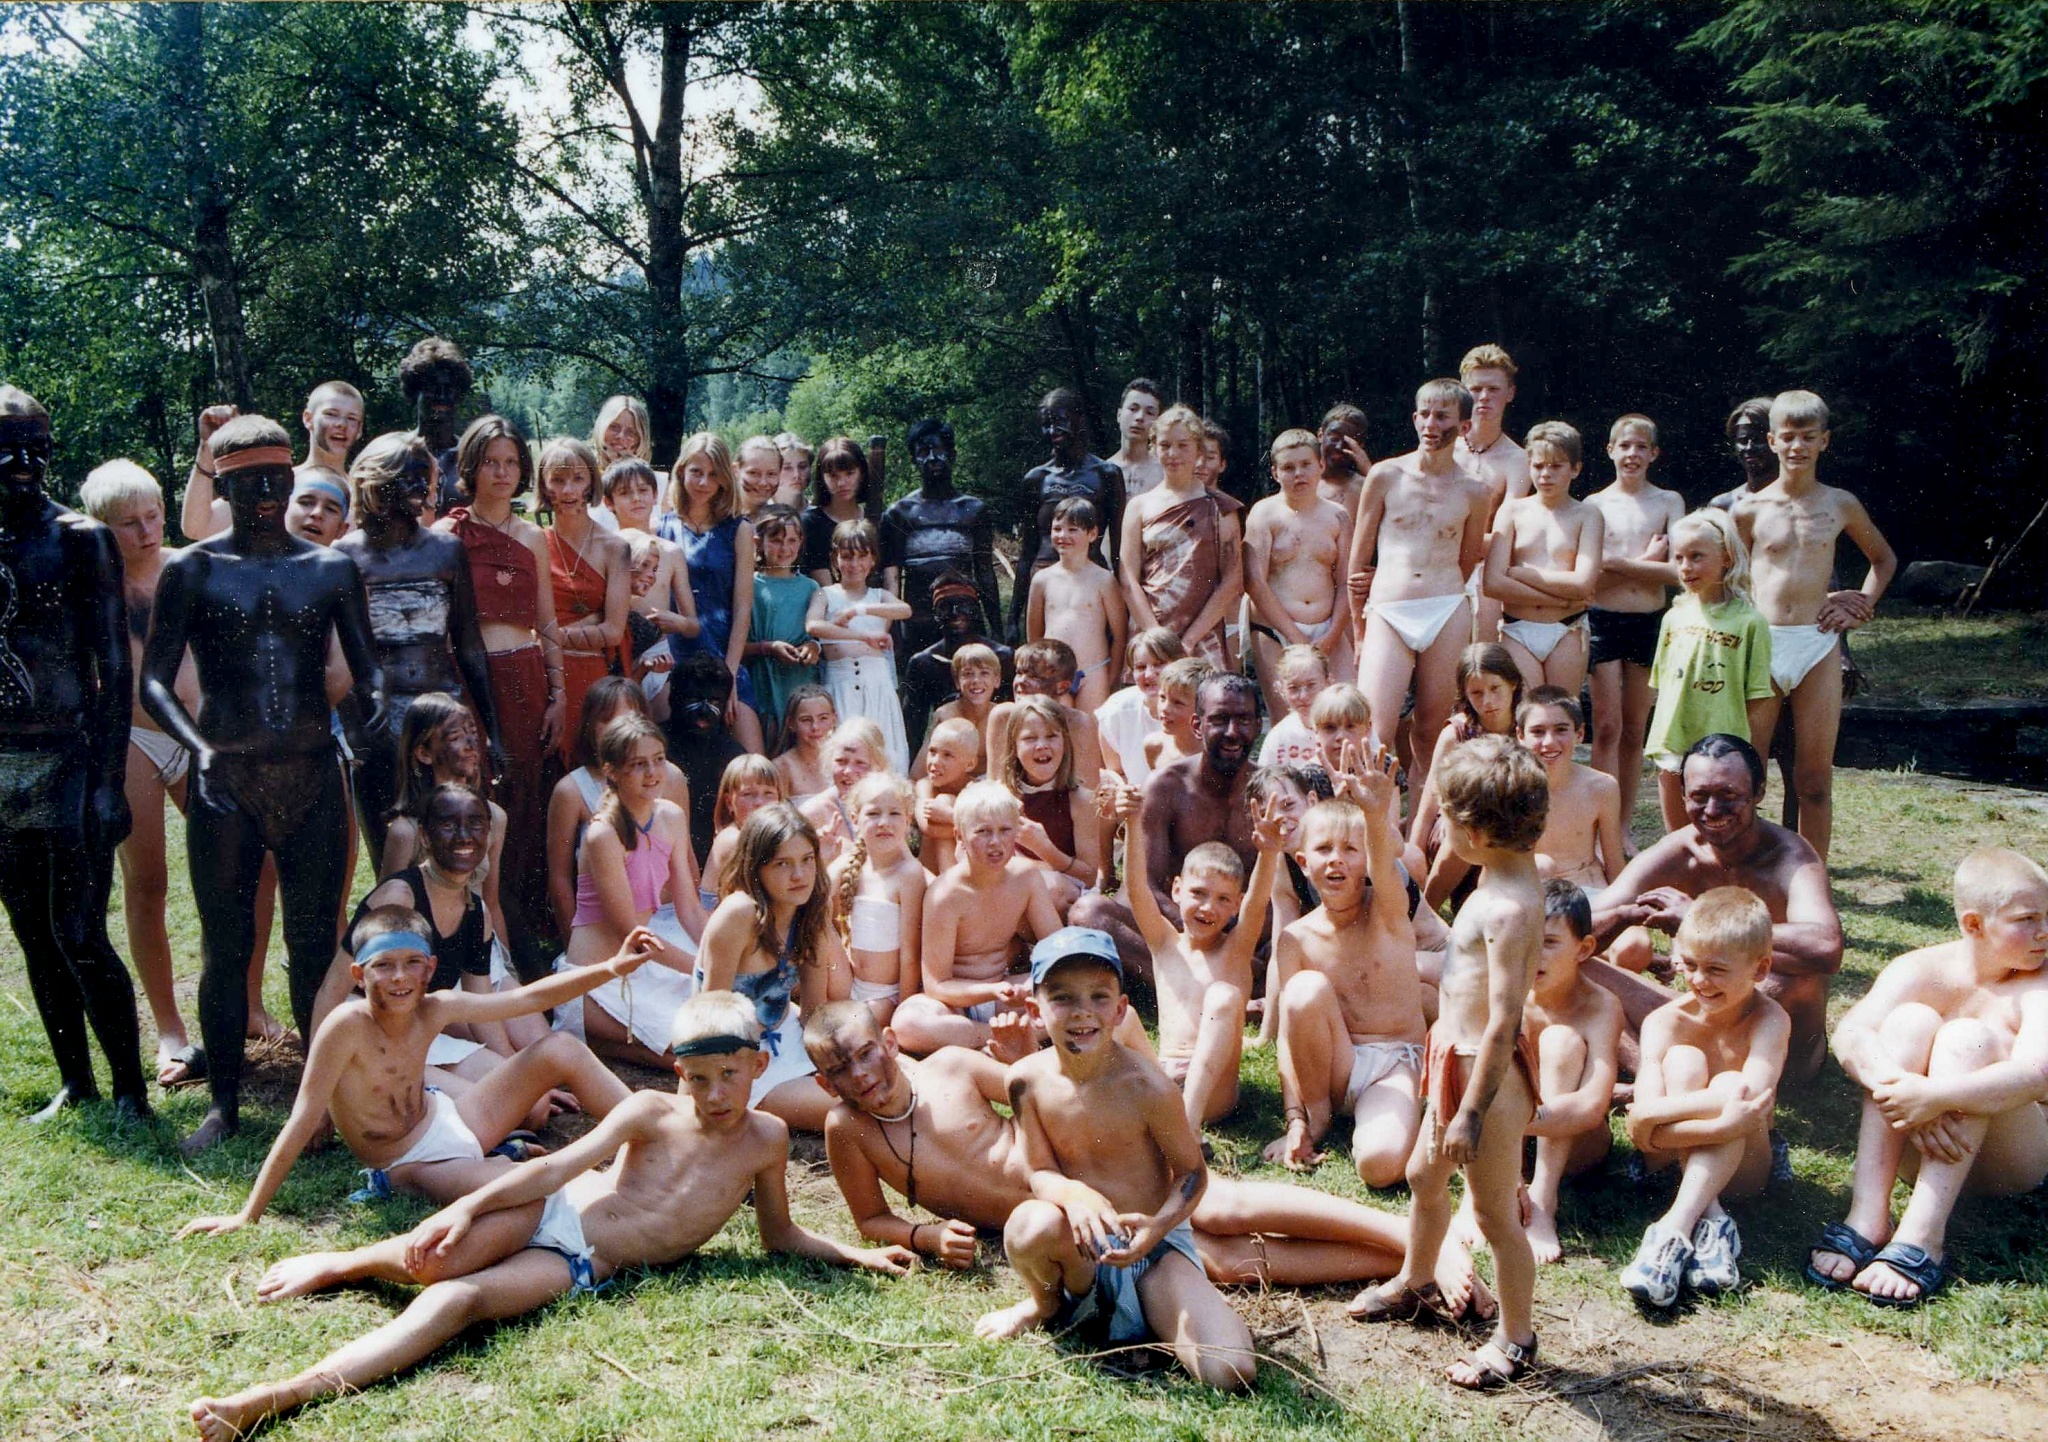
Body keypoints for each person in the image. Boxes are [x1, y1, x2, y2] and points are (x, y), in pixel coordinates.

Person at [182, 990, 913, 1441]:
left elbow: (778, 1235)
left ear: (758, 1066)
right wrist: (469, 1204)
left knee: (456, 1299)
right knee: (433, 1256)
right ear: (677, 1072)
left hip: (580, 1261)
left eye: (729, 1076)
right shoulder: (649, 1111)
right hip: (552, 1206)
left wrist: (856, 1254)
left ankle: (281, 1396)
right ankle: (344, 1263)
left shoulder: (769, 1138)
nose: (715, 1094)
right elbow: (556, 1168)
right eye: (698, 1078)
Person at [804, 1001, 1492, 1308]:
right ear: (825, 1083)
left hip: (1087, 1171)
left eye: (866, 1054)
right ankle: (1404, 1263)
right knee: (1218, 1262)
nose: (860, 1076)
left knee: (1220, 1206)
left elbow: (1040, 1089)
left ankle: (1406, 1233)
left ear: (889, 1043)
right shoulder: (847, 1130)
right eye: (840, 1070)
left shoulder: (951, 1068)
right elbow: (870, 1220)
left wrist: (1019, 1056)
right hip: (1065, 1227)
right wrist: (923, 1236)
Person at [144, 412, 384, 1151]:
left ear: (291, 475)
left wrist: (371, 706)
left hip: (313, 773)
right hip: (228, 780)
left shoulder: (330, 568)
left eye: (277, 479)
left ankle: (317, 1101)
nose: (267, 495)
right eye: (249, 484)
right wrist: (197, 748)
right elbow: (154, 681)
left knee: (315, 944)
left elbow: (367, 666)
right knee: (226, 945)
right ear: (224, 487)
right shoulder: (194, 569)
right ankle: (224, 1104)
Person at [194, 900, 640, 1244]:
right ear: (358, 974)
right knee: (530, 1185)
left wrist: (609, 967)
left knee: (560, 1047)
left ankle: (658, 1129)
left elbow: (527, 1000)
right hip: (410, 1164)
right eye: (383, 966)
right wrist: (247, 1214)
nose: (399, 977)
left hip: (454, 1120)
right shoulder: (345, 1027)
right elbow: (302, 1118)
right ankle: (560, 1176)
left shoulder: (434, 1007)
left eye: (411, 963)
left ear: (430, 969)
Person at [970, 928, 1258, 1390]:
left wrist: (1156, 1229)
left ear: (1121, 1009)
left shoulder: (1150, 1087)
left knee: (1230, 1372)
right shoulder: (1024, 1080)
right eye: (1062, 998)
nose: (1082, 1011)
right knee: (1028, 1226)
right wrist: (1073, 1194)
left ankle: (1159, 1310)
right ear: (1035, 1011)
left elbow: (1192, 1174)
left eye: (1099, 997)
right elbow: (1038, 1170)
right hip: (1080, 1250)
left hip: (1152, 1253)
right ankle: (1046, 1306)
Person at [1353, 736, 1547, 1390]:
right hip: (1453, 1057)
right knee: (1422, 1175)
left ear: (1477, 833)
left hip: (1485, 1076)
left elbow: (1504, 1021)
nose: (1439, 831)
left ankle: (1517, 1338)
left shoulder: (1512, 907)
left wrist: (1471, 1112)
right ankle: (1416, 1278)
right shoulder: (1500, 873)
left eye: (1446, 820)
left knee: (1493, 1215)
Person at [1807, 849, 2048, 1307]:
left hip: (2013, 1160)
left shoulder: (2041, 983)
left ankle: (1922, 1235)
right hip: (1920, 1140)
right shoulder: (1922, 968)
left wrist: (1933, 1096)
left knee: (1967, 1039)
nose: (2045, 931)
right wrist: (1903, 1092)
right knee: (1907, 1022)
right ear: (1974, 924)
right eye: (2027, 919)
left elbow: (2036, 1075)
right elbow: (1851, 1033)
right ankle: (1868, 1215)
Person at [0, 388, 147, 1121]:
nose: (26, 465)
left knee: (81, 931)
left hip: (70, 758)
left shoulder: (79, 539)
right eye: (9, 451)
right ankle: (77, 1082)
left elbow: (114, 669)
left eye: (38, 449)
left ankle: (129, 1089)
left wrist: (108, 782)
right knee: (33, 932)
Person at [1589, 734, 1843, 1085]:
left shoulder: (1791, 857)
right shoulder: (1679, 852)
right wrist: (1625, 915)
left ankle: (1679, 1079)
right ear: (1683, 796)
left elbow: (1827, 947)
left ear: (1758, 793)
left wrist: (1699, 919)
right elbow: (1574, 925)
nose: (1711, 810)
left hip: (1775, 1043)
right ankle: (1648, 1076)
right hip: (1706, 1019)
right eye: (1699, 796)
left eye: (1728, 795)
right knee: (1571, 963)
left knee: (1788, 976)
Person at [79, 460, 209, 1086]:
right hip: (133, 739)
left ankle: (246, 1007)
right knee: (148, 882)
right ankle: (170, 1030)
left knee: (236, 872)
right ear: (102, 527)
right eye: (130, 523)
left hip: (201, 735)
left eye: (154, 515)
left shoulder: (190, 568)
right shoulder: (92, 584)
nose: (148, 531)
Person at [1732, 390, 1897, 861]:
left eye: (1808, 437)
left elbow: (1883, 560)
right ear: (1772, 441)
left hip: (1818, 644)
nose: (1797, 447)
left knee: (1815, 779)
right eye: (1788, 437)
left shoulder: (1840, 504)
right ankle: (1745, 869)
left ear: (1824, 440)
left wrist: (1860, 605)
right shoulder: (1749, 509)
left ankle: (1812, 876)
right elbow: (1731, 579)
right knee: (1749, 773)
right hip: (1763, 645)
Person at [434, 416, 564, 972]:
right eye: (491, 461)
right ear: (471, 466)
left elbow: (547, 621)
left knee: (528, 798)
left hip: (526, 675)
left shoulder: (533, 535)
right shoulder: (449, 533)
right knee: (477, 791)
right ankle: (475, 927)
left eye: (512, 462)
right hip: (470, 678)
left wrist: (558, 692)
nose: (502, 472)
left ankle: (527, 930)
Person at [337, 431, 504, 862]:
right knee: (391, 845)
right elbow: (343, 657)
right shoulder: (345, 556)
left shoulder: (446, 550)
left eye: (424, 479)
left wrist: (492, 731)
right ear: (378, 482)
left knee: (453, 839)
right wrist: (357, 734)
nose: (422, 490)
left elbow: (469, 645)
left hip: (442, 709)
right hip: (378, 718)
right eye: (408, 478)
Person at [1620, 888, 1789, 1309]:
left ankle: (1673, 1228)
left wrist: (1650, 1114)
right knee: (1684, 1060)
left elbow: (1749, 1100)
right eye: (1690, 964)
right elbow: (1644, 1139)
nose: (1698, 980)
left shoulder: (1770, 1020)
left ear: (1760, 969)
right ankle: (1711, 1220)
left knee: (1733, 1084)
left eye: (1716, 969)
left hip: (1743, 1170)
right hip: (1665, 1163)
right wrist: (1721, 1126)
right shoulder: (1665, 1022)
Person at [1263, 755, 1426, 1189]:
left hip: (1393, 1062)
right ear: (1303, 862)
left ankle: (1387, 1120)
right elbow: (1289, 1037)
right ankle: (1319, 1119)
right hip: (1336, 1064)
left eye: (1350, 850)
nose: (1336, 861)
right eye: (1324, 850)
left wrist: (1374, 814)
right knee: (1304, 991)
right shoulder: (1296, 938)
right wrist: (1296, 1118)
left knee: (1379, 1166)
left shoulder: (1388, 910)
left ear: (1367, 861)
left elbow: (1386, 868)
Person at [1107, 771, 1282, 1132]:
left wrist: (1268, 853)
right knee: (1120, 1016)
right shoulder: (1164, 943)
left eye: (1222, 900)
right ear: (1176, 890)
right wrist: (1132, 821)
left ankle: (1187, 1125)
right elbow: (1137, 890)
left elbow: (1257, 902)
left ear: (1235, 906)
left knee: (1223, 996)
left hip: (1214, 1092)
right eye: (1198, 893)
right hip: (1163, 1077)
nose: (1207, 907)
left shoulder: (1235, 951)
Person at [1347, 380, 1492, 798]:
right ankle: (1372, 822)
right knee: (1374, 729)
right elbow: (1359, 559)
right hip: (1388, 610)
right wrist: (1359, 629)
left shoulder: (1475, 490)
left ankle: (1422, 826)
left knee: (1432, 729)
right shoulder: (1385, 475)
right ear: (1414, 418)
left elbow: (1467, 558)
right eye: (1424, 414)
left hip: (1445, 609)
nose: (1431, 424)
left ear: (1464, 426)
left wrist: (1438, 587)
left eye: (1442, 416)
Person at [1071, 673, 1262, 984]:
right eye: (1219, 720)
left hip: (1247, 936)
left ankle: (1213, 981)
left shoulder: (1269, 789)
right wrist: (1202, 929)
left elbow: (1284, 891)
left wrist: (1235, 937)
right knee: (1089, 914)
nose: (1232, 732)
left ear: (1258, 725)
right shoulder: (1167, 787)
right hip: (1178, 932)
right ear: (1197, 725)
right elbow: (1147, 886)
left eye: (1243, 720)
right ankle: (1210, 982)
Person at [694, 803, 854, 1130]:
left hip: (787, 1033)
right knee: (856, 1103)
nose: (799, 875)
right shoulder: (738, 915)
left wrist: (840, 1058)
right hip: (736, 1056)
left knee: (884, 1073)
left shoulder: (811, 907)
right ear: (756, 867)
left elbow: (812, 1012)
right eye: (783, 864)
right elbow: (708, 1019)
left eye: (807, 860)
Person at [561, 713, 706, 1068]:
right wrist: (704, 972)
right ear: (611, 771)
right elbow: (632, 934)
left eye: (658, 759)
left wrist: (720, 959)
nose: (652, 773)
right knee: (695, 1051)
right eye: (638, 764)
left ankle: (610, 1041)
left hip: (643, 970)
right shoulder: (602, 834)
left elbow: (689, 909)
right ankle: (591, 1033)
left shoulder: (671, 816)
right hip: (597, 980)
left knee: (727, 1026)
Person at [1499, 881, 1622, 1265]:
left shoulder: (1600, 1006)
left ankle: (1542, 1200)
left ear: (1584, 949)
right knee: (1504, 1036)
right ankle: (1491, 1189)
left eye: (1549, 943)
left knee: (1560, 1041)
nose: (1533, 954)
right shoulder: (1507, 992)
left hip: (1575, 1140)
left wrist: (1506, 1123)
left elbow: (1592, 1106)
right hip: (1514, 1134)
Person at [891, 781, 1060, 1054]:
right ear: (959, 836)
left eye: (1005, 830)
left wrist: (1030, 985)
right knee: (907, 1024)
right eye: (982, 832)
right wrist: (991, 991)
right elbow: (937, 985)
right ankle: (1007, 1036)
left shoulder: (1026, 877)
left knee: (1071, 987)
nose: (996, 842)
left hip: (1005, 993)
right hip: (955, 1003)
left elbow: (1059, 950)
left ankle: (994, 1038)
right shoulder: (945, 895)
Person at [1585, 412, 1685, 839]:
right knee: (1607, 727)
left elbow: (1679, 572)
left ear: (1654, 453)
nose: (1632, 454)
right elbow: (1590, 578)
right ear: (1610, 450)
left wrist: (1618, 564)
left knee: (1634, 730)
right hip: (1603, 622)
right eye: (1625, 446)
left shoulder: (1668, 502)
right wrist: (1645, 562)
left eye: (1641, 447)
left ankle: (1622, 826)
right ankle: (1598, 825)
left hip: (1649, 623)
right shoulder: (1594, 505)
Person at [1645, 508, 1774, 833]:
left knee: (1722, 832)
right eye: (1678, 558)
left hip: (1723, 748)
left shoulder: (1750, 622)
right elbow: (1662, 684)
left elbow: (1757, 696)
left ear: (1726, 557)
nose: (1686, 567)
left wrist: (1736, 739)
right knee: (1679, 836)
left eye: (1697, 556)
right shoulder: (1673, 618)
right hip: (1673, 740)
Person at [545, 677, 692, 942]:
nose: (622, 727)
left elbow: (686, 861)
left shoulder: (669, 777)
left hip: (672, 917)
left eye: (630, 717)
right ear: (591, 726)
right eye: (608, 720)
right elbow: (560, 879)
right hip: (612, 931)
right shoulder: (571, 790)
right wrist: (572, 944)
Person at [659, 431, 763, 754]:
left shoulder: (739, 529)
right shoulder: (662, 526)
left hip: (723, 653)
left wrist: (728, 677)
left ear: (724, 479)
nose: (704, 482)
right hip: (676, 657)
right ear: (681, 471)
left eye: (713, 474)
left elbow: (743, 608)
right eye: (696, 472)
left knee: (753, 761)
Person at [1483, 420, 1602, 696]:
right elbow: (1493, 584)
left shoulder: (1587, 515)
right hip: (1517, 628)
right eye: (1538, 466)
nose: (1546, 474)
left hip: (1567, 629)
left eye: (1556, 466)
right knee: (1526, 710)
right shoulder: (1511, 512)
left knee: (1561, 708)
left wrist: (1520, 574)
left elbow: (1583, 584)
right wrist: (1561, 600)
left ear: (1575, 469)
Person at [1121, 403, 1243, 670]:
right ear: (1153, 448)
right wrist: (1156, 638)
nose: (1173, 454)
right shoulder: (1138, 507)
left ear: (1199, 451)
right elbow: (1128, 579)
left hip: (1203, 634)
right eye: (1165, 445)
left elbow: (1232, 580)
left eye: (1183, 445)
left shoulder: (1221, 507)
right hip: (1150, 633)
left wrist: (1189, 640)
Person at [380, 695, 511, 944]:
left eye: (473, 733)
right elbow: (385, 915)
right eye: (455, 738)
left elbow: (491, 903)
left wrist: (505, 961)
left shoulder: (494, 817)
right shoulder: (406, 831)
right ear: (424, 753)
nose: (471, 745)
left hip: (477, 944)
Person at [1245, 428, 1352, 718]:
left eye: (1306, 464)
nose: (1298, 474)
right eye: (1288, 467)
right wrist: (1296, 637)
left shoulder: (1338, 516)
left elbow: (1345, 582)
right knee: (1289, 717)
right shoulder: (1263, 514)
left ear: (1321, 465)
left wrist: (1332, 634)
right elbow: (1255, 583)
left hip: (1327, 629)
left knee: (1343, 712)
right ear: (1275, 472)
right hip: (1276, 629)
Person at [1409, 643, 1523, 909]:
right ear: (1465, 694)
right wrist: (1414, 860)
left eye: (1495, 689)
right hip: (1458, 830)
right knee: (1473, 824)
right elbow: (1429, 805)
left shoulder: (1527, 729)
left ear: (1513, 683)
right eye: (1477, 693)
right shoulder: (1457, 734)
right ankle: (1427, 907)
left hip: (1512, 826)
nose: (1488, 701)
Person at [539, 438, 630, 767]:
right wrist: (590, 624)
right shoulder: (532, 543)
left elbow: (613, 632)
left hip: (591, 675)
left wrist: (551, 636)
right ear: (543, 485)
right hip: (541, 674)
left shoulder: (614, 548)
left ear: (592, 482)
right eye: (558, 479)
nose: (568, 490)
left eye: (578, 478)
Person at [179, 382, 365, 540]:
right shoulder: (275, 484)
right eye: (331, 414)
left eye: (352, 418)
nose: (342, 424)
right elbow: (196, 528)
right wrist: (207, 448)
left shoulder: (365, 496)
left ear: (359, 429)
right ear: (308, 419)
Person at [880, 418, 1003, 656]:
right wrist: (895, 634)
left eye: (938, 450)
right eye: (923, 452)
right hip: (918, 624)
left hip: (965, 621)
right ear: (913, 460)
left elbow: (985, 573)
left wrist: (997, 630)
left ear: (952, 454)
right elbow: (892, 580)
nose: (932, 458)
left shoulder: (973, 510)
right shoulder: (899, 513)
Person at [1010, 388, 1125, 642]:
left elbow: (1119, 551)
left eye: (1060, 421)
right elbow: (1027, 552)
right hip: (1044, 580)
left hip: (1091, 579)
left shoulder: (1106, 474)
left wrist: (1121, 604)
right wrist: (1013, 619)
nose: (1053, 430)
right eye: (1046, 424)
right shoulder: (1037, 478)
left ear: (1079, 418)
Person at [808, 518, 911, 775]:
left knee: (884, 754)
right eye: (847, 556)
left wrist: (858, 610)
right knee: (842, 754)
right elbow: (813, 625)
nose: (854, 564)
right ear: (835, 559)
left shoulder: (879, 596)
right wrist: (862, 636)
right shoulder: (825, 594)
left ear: (873, 559)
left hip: (876, 684)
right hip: (839, 683)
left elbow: (904, 610)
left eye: (862, 556)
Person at [828, 772, 927, 1025]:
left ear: (908, 820)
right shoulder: (850, 863)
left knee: (846, 1032)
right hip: (847, 982)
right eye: (873, 814)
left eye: (894, 813)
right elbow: (815, 896)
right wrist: (825, 857)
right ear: (855, 819)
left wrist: (903, 1008)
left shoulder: (909, 874)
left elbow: (910, 953)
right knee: (816, 919)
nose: (884, 822)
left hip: (884, 995)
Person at [1455, 345, 1532, 643]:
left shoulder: (1518, 460)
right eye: (1475, 389)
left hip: (1486, 569)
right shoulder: (1444, 450)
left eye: (1493, 389)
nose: (1484, 396)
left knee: (1482, 655)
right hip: (1437, 566)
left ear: (1510, 393)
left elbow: (1504, 536)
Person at [998, 694, 1101, 913]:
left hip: (1062, 889)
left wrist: (1043, 848)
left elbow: (1089, 876)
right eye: (1030, 738)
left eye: (1052, 736)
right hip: (1010, 886)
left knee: (1050, 888)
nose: (1041, 745)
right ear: (1014, 747)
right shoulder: (1001, 795)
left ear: (1065, 742)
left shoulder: (1080, 799)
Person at [1518, 687, 1624, 892]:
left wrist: (1624, 905)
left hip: (1585, 886)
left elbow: (1614, 863)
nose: (1549, 742)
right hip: (1530, 886)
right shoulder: (1509, 789)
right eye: (1538, 732)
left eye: (1561, 730)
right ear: (1520, 735)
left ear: (1580, 734)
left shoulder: (1602, 787)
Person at [1027, 497, 1127, 713]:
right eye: (1057, 529)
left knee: (1090, 727)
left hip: (1093, 672)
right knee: (1053, 725)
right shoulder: (1042, 580)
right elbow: (1034, 636)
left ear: (1092, 534)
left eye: (1073, 530)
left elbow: (1120, 635)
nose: (1063, 536)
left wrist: (1112, 676)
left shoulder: (1103, 580)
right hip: (1052, 673)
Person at [903, 571, 1013, 750]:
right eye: (945, 607)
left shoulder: (1002, 656)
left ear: (975, 610)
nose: (955, 613)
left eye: (963, 605)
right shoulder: (924, 663)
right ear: (935, 614)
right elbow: (912, 730)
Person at [664, 650, 750, 873]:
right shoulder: (656, 749)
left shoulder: (733, 756)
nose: (704, 711)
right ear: (675, 699)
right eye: (694, 700)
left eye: (713, 701)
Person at [745, 504, 821, 752]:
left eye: (791, 540)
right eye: (776, 540)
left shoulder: (810, 587)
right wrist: (768, 647)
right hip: (764, 683)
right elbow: (736, 645)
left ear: (801, 542)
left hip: (799, 682)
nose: (785, 548)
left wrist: (813, 647)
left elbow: (817, 636)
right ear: (759, 542)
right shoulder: (749, 584)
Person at [986, 638, 1105, 784]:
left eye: (1034, 676)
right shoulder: (1003, 717)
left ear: (1062, 687)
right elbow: (996, 784)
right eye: (1019, 673)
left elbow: (1088, 787)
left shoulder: (1077, 723)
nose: (1021, 681)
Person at [1094, 626, 1182, 790]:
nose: (1149, 675)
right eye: (1141, 667)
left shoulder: (1198, 708)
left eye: (1159, 664)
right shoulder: (1115, 710)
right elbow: (1117, 773)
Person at [797, 717, 888, 868]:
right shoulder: (811, 813)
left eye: (860, 763)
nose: (848, 771)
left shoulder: (888, 805)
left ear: (877, 766)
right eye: (841, 761)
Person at [399, 336, 475, 514]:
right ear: (414, 393)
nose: (441, 396)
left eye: (449, 389)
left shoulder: (472, 457)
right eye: (432, 388)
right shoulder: (394, 453)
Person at [702, 753, 787, 911]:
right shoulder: (732, 839)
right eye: (748, 794)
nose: (760, 802)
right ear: (729, 803)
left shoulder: (766, 837)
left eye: (768, 793)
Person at [799, 436, 886, 587]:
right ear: (822, 478)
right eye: (833, 476)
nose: (842, 483)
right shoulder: (811, 523)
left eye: (849, 473)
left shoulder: (880, 519)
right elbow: (825, 588)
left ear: (862, 473)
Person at [917, 642, 999, 772]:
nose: (976, 680)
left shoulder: (1001, 716)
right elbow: (918, 772)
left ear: (997, 680)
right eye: (968, 674)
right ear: (957, 682)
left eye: (984, 673)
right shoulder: (946, 715)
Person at [913, 717, 979, 877]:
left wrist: (950, 815)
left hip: (968, 871)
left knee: (946, 802)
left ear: (970, 764)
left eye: (947, 755)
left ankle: (953, 882)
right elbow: (928, 827)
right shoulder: (925, 786)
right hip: (929, 873)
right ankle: (950, 882)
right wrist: (971, 829)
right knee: (945, 800)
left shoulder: (976, 790)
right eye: (932, 751)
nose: (935, 761)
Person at [1257, 644, 1332, 770]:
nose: (1303, 696)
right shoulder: (1279, 737)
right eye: (1293, 688)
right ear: (1281, 689)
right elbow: (1265, 779)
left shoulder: (1347, 724)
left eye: (1311, 685)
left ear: (1328, 682)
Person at [773, 684, 838, 801]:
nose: (815, 727)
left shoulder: (845, 761)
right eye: (806, 720)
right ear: (791, 723)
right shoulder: (781, 767)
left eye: (823, 718)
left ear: (834, 719)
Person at [1107, 377, 1164, 500]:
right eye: (1133, 409)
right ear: (1119, 414)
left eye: (1149, 413)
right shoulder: (1103, 471)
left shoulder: (1164, 472)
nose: (1140, 417)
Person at [1316, 403, 1371, 521]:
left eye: (1347, 442)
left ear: (1360, 445)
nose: (1339, 447)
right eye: (1334, 439)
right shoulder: (1303, 483)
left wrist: (1369, 471)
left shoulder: (1364, 486)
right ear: (1320, 435)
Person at [734, 435, 783, 519]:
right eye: (753, 473)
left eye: (771, 474)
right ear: (736, 470)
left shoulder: (783, 520)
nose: (763, 483)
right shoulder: (717, 518)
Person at [773, 430, 814, 509]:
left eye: (802, 466)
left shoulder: (819, 514)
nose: (797, 475)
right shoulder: (757, 513)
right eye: (787, 468)